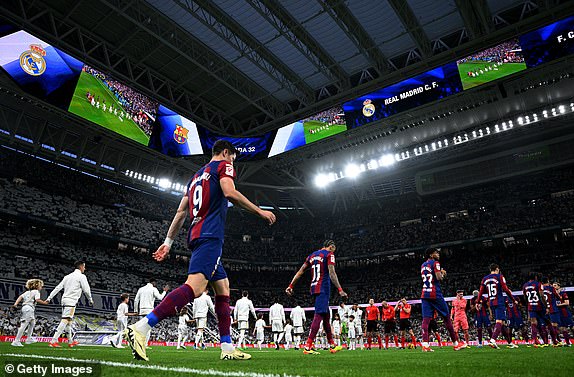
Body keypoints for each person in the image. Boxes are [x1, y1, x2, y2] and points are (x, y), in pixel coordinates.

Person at [125, 140, 276, 362]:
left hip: (197, 235)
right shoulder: (223, 165)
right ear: (226, 152)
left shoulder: (195, 176)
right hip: (210, 236)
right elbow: (230, 193)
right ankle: (142, 327)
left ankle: (227, 347)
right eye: (233, 157)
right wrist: (259, 211)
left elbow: (180, 212)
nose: (233, 162)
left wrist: (168, 242)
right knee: (194, 288)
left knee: (223, 288)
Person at [286, 239, 347, 355]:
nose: (334, 251)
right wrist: (340, 289)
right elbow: (332, 272)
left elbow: (300, 271)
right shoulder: (329, 254)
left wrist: (291, 285)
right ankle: (308, 346)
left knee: (326, 316)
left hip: (314, 288)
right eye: (334, 249)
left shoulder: (312, 256)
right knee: (319, 315)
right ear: (331, 247)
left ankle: (332, 345)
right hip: (323, 288)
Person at [420, 248, 465, 352]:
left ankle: (425, 345)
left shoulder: (423, 265)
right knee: (446, 318)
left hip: (425, 294)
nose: (438, 254)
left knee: (426, 319)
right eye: (436, 252)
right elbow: (439, 277)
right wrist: (443, 273)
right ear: (431, 255)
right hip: (435, 294)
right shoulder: (435, 263)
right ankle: (456, 344)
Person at [46, 261, 94, 348]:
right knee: (65, 320)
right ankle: (53, 341)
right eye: (84, 267)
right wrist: (90, 299)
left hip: (64, 300)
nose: (85, 269)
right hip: (71, 301)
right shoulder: (81, 276)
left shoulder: (67, 277)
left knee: (69, 322)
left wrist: (49, 298)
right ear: (81, 267)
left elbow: (58, 288)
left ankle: (70, 341)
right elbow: (86, 289)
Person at [477, 263, 518, 349]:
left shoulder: (485, 278)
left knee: (502, 323)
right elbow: (506, 289)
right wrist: (513, 299)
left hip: (491, 302)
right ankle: (493, 340)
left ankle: (510, 342)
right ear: (497, 269)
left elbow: (480, 292)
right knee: (499, 321)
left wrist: (477, 302)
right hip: (499, 301)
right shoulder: (499, 276)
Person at [11, 279, 48, 347]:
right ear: (37, 286)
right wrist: (44, 302)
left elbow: (20, 297)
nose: (41, 287)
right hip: (29, 308)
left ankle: (28, 339)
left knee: (32, 322)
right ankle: (16, 341)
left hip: (26, 308)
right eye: (41, 286)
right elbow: (37, 300)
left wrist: (15, 304)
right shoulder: (36, 292)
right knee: (24, 324)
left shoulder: (27, 292)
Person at [134, 278, 169, 347]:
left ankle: (138, 343)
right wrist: (164, 291)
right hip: (149, 310)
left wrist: (136, 311)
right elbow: (160, 298)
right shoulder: (153, 289)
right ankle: (145, 345)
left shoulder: (141, 289)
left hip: (141, 310)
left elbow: (136, 300)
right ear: (153, 283)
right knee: (148, 329)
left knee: (141, 328)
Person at [523, 272, 547, 347]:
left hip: (531, 305)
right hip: (539, 305)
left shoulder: (525, 285)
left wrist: (528, 304)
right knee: (544, 322)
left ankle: (535, 340)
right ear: (536, 277)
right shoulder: (538, 284)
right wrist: (546, 306)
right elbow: (542, 295)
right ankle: (546, 341)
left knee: (533, 322)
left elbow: (525, 297)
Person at [542, 276, 563, 346]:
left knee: (547, 326)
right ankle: (556, 341)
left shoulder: (540, 289)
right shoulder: (551, 288)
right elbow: (558, 297)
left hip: (544, 310)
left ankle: (548, 341)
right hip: (552, 309)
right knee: (554, 326)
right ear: (548, 281)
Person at [554, 281, 573, 346]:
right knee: (562, 328)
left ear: (559, 286)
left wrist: (558, 305)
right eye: (553, 286)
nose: (554, 287)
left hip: (565, 312)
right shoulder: (553, 295)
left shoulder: (563, 293)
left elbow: (567, 303)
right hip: (558, 313)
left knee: (572, 327)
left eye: (555, 285)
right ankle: (567, 343)